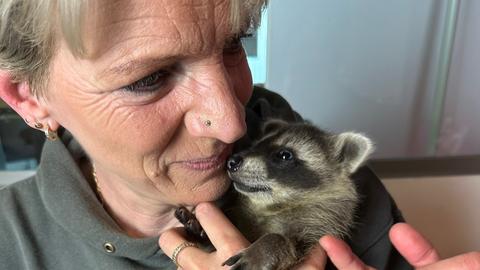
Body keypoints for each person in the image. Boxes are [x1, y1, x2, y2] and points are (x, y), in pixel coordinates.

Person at [0, 0, 478, 269]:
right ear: (28, 97)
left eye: (233, 44)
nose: (233, 123)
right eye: (149, 78)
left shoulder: (342, 187)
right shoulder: (14, 242)